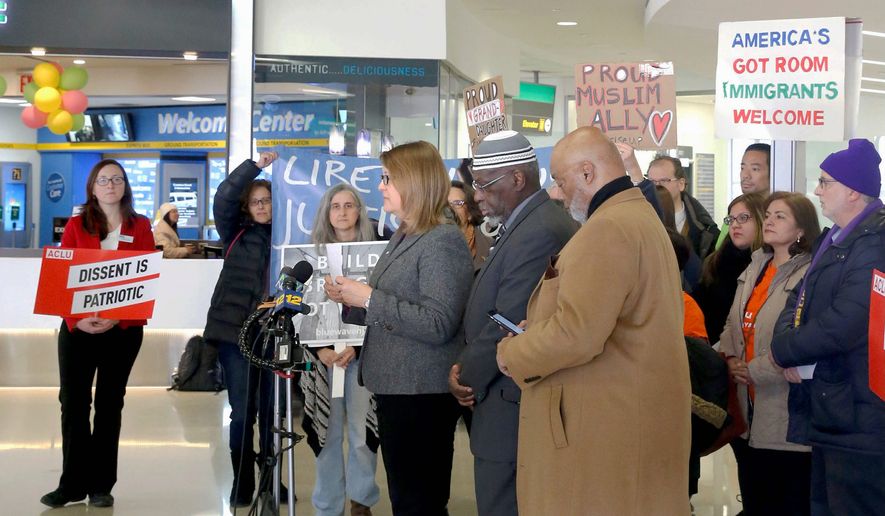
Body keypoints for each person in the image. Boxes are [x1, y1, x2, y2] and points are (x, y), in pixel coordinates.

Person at [495, 127, 691, 515]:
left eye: (561, 180)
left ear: (587, 173)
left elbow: (576, 335)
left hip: (601, 430)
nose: (558, 192)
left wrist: (512, 352)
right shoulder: (637, 218)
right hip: (625, 418)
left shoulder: (609, 228)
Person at [325, 141, 474, 516]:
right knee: (406, 498)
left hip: (421, 393)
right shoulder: (406, 233)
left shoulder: (440, 239)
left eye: (388, 178)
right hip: (396, 389)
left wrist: (369, 298)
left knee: (418, 502)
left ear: (414, 182)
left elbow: (438, 322)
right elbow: (389, 306)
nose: (380, 187)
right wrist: (350, 301)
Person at [447, 131, 577, 516]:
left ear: (518, 180)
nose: (477, 197)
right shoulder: (528, 222)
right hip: (506, 398)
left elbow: (509, 321)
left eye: (485, 186)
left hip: (512, 402)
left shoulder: (539, 230)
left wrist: (465, 375)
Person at [771, 139, 885, 516]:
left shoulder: (874, 243)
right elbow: (797, 300)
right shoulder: (834, 239)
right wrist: (788, 345)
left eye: (825, 182)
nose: (816, 191)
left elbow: (848, 321)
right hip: (833, 411)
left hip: (859, 416)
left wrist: (787, 351)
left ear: (853, 191)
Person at [41, 159, 155, 508]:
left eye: (117, 179)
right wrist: (76, 319)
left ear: (125, 186)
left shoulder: (141, 226)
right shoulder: (76, 225)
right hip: (77, 330)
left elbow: (143, 278)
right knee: (73, 404)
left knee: (109, 405)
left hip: (122, 332)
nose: (110, 185)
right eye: (103, 180)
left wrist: (115, 316)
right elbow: (64, 275)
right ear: (92, 187)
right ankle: (72, 484)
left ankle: (101, 486)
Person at [719, 192, 821, 515]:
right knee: (754, 500)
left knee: (785, 502)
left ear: (802, 229)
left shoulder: (809, 275)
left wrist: (756, 369)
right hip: (746, 409)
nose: (770, 222)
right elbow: (733, 323)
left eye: (781, 216)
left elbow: (804, 340)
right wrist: (730, 359)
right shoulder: (755, 266)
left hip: (784, 415)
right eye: (768, 215)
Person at [202, 151, 279, 507]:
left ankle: (271, 482)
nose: (262, 207)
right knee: (243, 414)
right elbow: (223, 196)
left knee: (272, 416)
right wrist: (255, 167)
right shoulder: (234, 231)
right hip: (236, 335)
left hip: (277, 337)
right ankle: (242, 484)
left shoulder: (286, 235)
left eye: (267, 201)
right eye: (256, 202)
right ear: (247, 207)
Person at [304, 183, 381, 516]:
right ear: (327, 212)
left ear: (359, 211)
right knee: (327, 433)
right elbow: (302, 308)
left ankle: (361, 500)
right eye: (336, 206)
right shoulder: (308, 255)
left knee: (362, 433)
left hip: (363, 356)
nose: (343, 212)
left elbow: (382, 306)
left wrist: (355, 345)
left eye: (349, 205)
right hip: (324, 360)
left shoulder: (380, 254)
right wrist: (320, 348)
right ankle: (327, 506)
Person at [692, 193, 766, 343]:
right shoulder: (714, 261)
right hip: (714, 350)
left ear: (761, 220)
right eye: (731, 219)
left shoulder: (769, 264)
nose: (735, 225)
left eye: (743, 218)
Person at [647, 155, 720, 260]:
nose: (657, 187)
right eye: (651, 182)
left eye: (664, 181)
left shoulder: (705, 229)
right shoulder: (641, 220)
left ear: (681, 184)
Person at [449, 180, 492, 270]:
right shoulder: (426, 245)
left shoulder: (490, 248)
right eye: (445, 203)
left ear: (469, 213)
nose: (450, 208)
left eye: (457, 203)